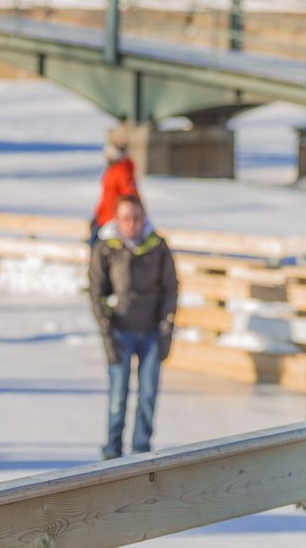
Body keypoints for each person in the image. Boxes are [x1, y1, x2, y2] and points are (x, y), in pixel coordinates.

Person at [88, 195, 178, 460]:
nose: (132, 224)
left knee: (148, 393)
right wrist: (106, 328)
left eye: (137, 218)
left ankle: (141, 448)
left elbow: (171, 288)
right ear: (117, 219)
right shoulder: (107, 248)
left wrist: (166, 325)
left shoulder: (158, 246)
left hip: (150, 331)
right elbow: (96, 291)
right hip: (120, 330)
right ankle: (112, 450)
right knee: (118, 394)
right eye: (126, 218)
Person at [91, 133, 139, 245]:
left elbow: (130, 197)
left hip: (112, 220)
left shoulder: (121, 172)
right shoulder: (113, 170)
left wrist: (122, 218)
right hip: (103, 216)